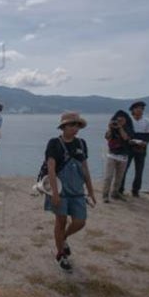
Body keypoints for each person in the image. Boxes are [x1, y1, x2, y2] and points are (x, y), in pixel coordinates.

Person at [44, 112, 97, 273]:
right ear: (64, 127)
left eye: (77, 125)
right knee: (60, 221)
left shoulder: (81, 144)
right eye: (72, 125)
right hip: (61, 191)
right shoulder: (54, 143)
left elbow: (85, 169)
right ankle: (61, 254)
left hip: (77, 191)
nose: (76, 128)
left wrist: (91, 191)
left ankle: (64, 238)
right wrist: (54, 193)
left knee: (80, 221)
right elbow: (51, 169)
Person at [119, 101, 149, 197]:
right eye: (138, 108)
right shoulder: (128, 121)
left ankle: (136, 190)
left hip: (141, 148)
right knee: (124, 169)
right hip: (129, 147)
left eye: (142, 108)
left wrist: (145, 143)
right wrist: (129, 141)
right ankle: (120, 188)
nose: (140, 110)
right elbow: (125, 134)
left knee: (139, 170)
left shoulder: (147, 121)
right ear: (133, 110)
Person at [102, 110, 132, 203]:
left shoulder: (128, 128)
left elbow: (125, 137)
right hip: (112, 155)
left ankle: (115, 193)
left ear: (125, 120)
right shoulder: (112, 128)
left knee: (119, 177)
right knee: (108, 176)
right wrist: (110, 128)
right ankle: (105, 195)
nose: (119, 122)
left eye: (121, 120)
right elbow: (107, 137)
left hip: (123, 156)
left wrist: (120, 128)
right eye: (117, 120)